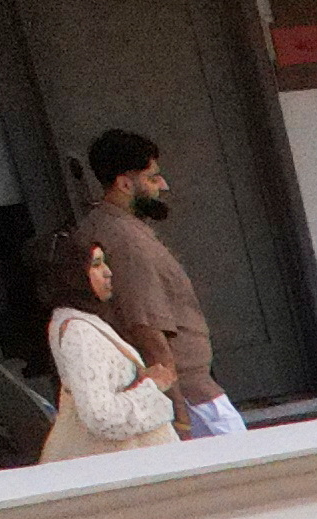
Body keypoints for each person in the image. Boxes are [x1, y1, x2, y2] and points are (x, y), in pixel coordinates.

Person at [76, 129, 243, 440]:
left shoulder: (115, 227)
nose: (163, 185)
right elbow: (146, 326)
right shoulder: (126, 242)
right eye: (152, 178)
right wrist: (179, 413)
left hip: (189, 387)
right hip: (192, 394)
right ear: (125, 183)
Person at [31, 231, 175, 463]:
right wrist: (152, 386)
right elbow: (100, 417)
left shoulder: (80, 322)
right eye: (96, 265)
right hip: (123, 466)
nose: (108, 272)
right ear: (72, 275)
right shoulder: (79, 332)